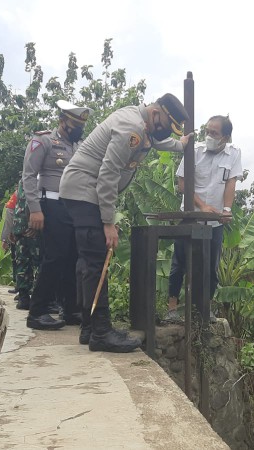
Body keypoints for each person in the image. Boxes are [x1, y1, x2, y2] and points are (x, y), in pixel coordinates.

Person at [60, 93, 191, 352]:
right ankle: (101, 332)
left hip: (83, 191)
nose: (166, 132)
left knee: (87, 262)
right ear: (157, 113)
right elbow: (108, 174)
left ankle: (89, 327)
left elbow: (155, 141)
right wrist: (108, 222)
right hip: (85, 190)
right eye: (166, 125)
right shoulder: (131, 128)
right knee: (97, 259)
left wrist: (180, 144)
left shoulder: (141, 122)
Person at [166, 115, 242, 323]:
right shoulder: (194, 150)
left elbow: (230, 184)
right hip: (190, 217)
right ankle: (172, 309)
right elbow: (182, 184)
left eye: (214, 133)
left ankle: (204, 309)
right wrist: (202, 206)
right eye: (207, 131)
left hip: (214, 222)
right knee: (179, 265)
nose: (209, 135)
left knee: (210, 268)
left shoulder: (233, 155)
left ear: (225, 137)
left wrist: (226, 209)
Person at [23, 100, 91, 330]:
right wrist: (35, 209)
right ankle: (38, 311)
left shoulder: (80, 145)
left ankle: (71, 309)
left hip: (74, 207)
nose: (78, 128)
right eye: (74, 124)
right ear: (62, 121)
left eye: (81, 125)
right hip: (50, 204)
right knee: (54, 257)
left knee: (73, 257)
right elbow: (29, 176)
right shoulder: (43, 141)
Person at [12, 179, 41, 310]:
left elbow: (18, 204)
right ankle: (36, 297)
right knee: (39, 261)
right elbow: (30, 202)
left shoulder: (23, 181)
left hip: (19, 225)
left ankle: (23, 297)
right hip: (30, 227)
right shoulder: (34, 180)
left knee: (22, 262)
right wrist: (32, 225)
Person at [0, 191, 17, 294]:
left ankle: (20, 286)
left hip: (17, 234)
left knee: (18, 261)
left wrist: (5, 239)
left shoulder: (18, 193)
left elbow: (9, 218)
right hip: (19, 234)